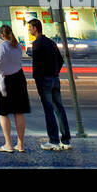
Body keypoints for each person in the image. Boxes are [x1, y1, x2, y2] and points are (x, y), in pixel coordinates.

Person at [27, 19, 71, 151]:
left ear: (35, 28)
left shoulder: (37, 44)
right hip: (54, 79)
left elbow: (36, 65)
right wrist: (54, 72)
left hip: (44, 80)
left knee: (48, 110)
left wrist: (37, 79)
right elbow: (60, 60)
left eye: (30, 27)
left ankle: (53, 141)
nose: (29, 30)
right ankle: (66, 140)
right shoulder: (51, 43)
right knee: (59, 108)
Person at [0, 25, 29, 153]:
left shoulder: (3, 46)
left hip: (5, 80)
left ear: (2, 35)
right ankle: (20, 144)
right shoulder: (17, 45)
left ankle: (8, 144)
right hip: (19, 78)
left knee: (3, 113)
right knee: (19, 112)